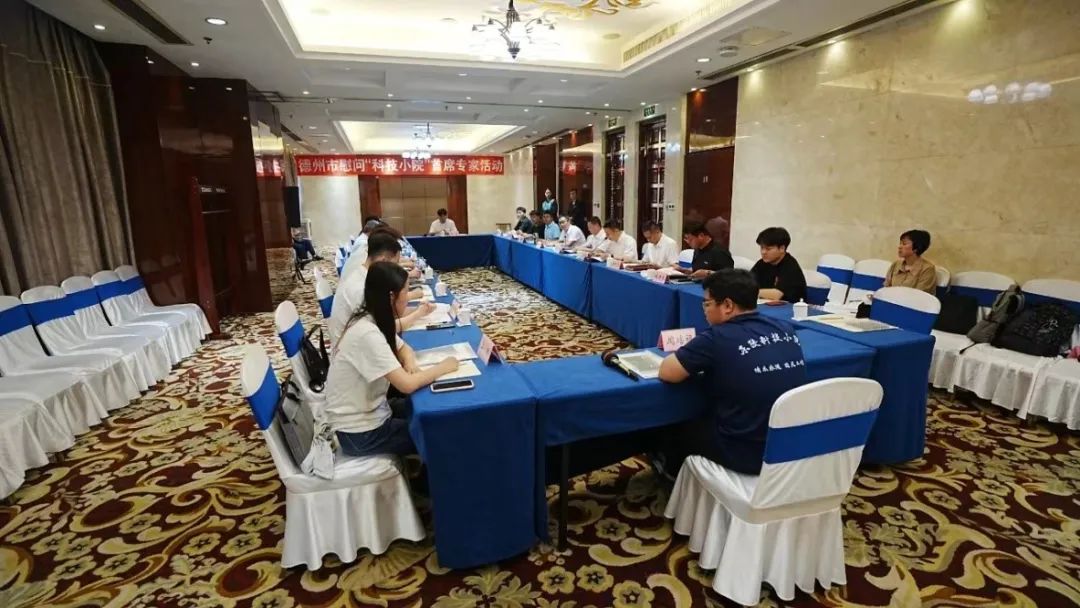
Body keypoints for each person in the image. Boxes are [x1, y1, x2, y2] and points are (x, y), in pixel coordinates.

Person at [657, 269, 808, 475]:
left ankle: (671, 474)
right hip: (788, 446)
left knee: (672, 426)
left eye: (707, 304)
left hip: (743, 451)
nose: (704, 310)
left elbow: (668, 372)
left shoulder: (717, 336)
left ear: (728, 305)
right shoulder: (785, 329)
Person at [326, 262, 458, 457]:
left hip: (374, 411)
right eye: (405, 293)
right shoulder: (366, 333)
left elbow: (404, 348)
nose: (408, 298)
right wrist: (444, 367)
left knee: (438, 412)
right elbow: (407, 385)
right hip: (361, 433)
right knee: (438, 432)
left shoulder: (372, 317)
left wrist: (410, 364)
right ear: (390, 297)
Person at [329, 233, 433, 344]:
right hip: (350, 346)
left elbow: (387, 315)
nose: (397, 268)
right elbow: (385, 329)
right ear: (383, 261)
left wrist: (418, 310)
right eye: (395, 264)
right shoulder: (362, 288)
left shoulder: (364, 273)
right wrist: (418, 314)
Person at [751, 227, 806, 303]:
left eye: (768, 249)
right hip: (766, 304)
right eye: (762, 248)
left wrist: (750, 291)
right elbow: (747, 282)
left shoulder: (790, 266)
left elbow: (777, 295)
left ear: (782, 248)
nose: (763, 252)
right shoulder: (762, 263)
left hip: (789, 307)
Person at [883, 229, 937, 294]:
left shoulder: (927, 269)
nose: (899, 247)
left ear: (916, 248)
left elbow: (920, 295)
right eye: (900, 243)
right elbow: (886, 288)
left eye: (904, 244)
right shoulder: (896, 264)